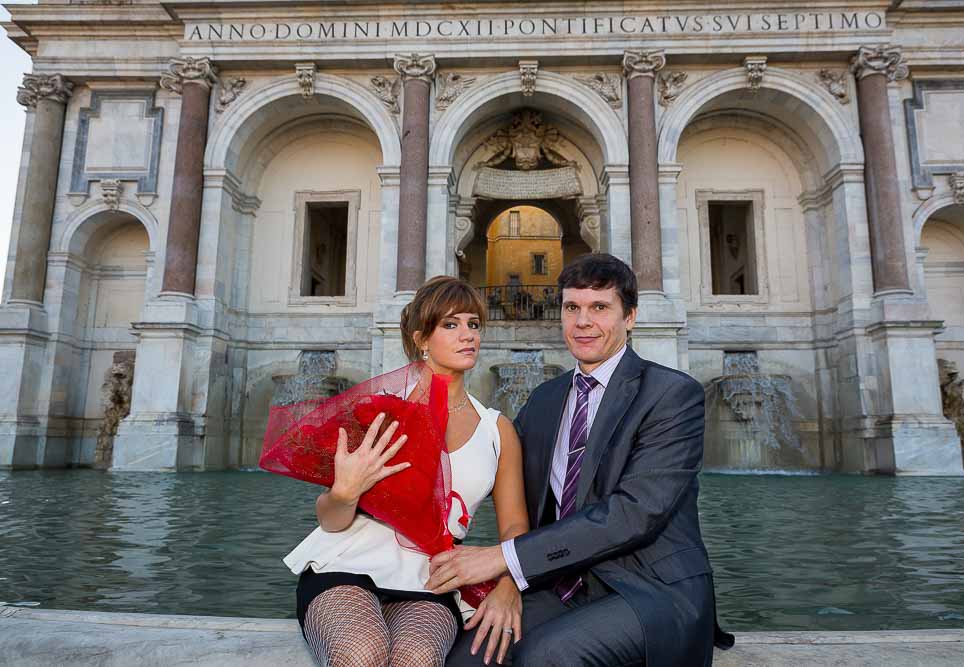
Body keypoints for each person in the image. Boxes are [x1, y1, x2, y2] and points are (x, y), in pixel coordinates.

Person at [432, 254, 734, 666]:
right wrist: (507, 582)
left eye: (599, 308)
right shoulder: (544, 400)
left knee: (547, 656)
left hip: (650, 590)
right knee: (468, 655)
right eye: (572, 307)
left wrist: (502, 559)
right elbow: (502, 487)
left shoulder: (671, 395)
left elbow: (633, 514)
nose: (582, 321)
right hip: (560, 583)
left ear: (630, 316)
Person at [283, 276, 530, 666]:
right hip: (346, 564)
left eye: (474, 324)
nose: (467, 335)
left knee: (417, 658)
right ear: (421, 338)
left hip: (433, 579)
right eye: (451, 325)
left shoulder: (497, 429)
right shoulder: (380, 411)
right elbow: (330, 520)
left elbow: (515, 528)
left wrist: (508, 584)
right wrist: (344, 493)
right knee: (361, 652)